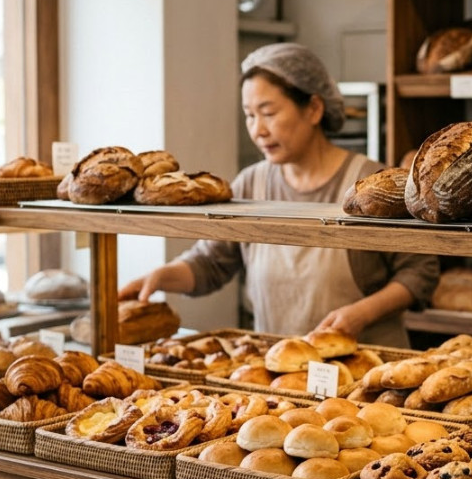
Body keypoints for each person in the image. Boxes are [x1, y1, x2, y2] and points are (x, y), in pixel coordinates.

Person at [118, 43, 438, 347]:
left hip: (367, 371)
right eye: (249, 115)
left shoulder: (371, 184)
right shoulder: (250, 184)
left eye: (268, 113)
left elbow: (420, 271)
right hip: (280, 375)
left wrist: (361, 314)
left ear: (313, 109)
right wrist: (159, 278)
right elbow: (211, 262)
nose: (258, 129)